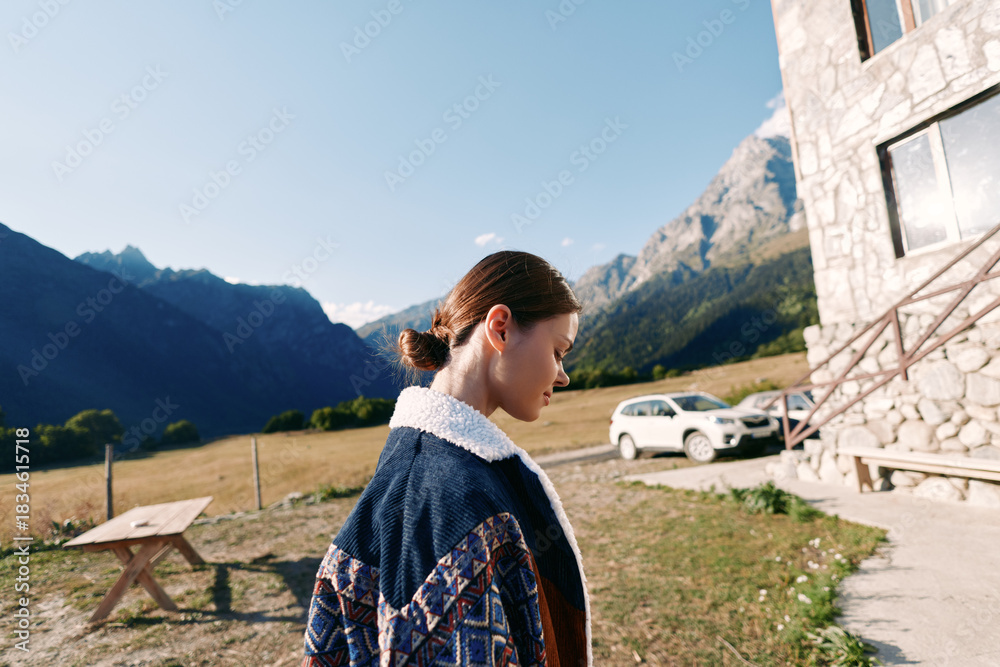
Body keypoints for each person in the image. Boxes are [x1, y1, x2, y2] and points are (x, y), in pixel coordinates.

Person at [301, 250, 591, 666]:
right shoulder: (438, 496)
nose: (563, 375)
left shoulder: (449, 467)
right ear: (501, 328)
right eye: (559, 351)